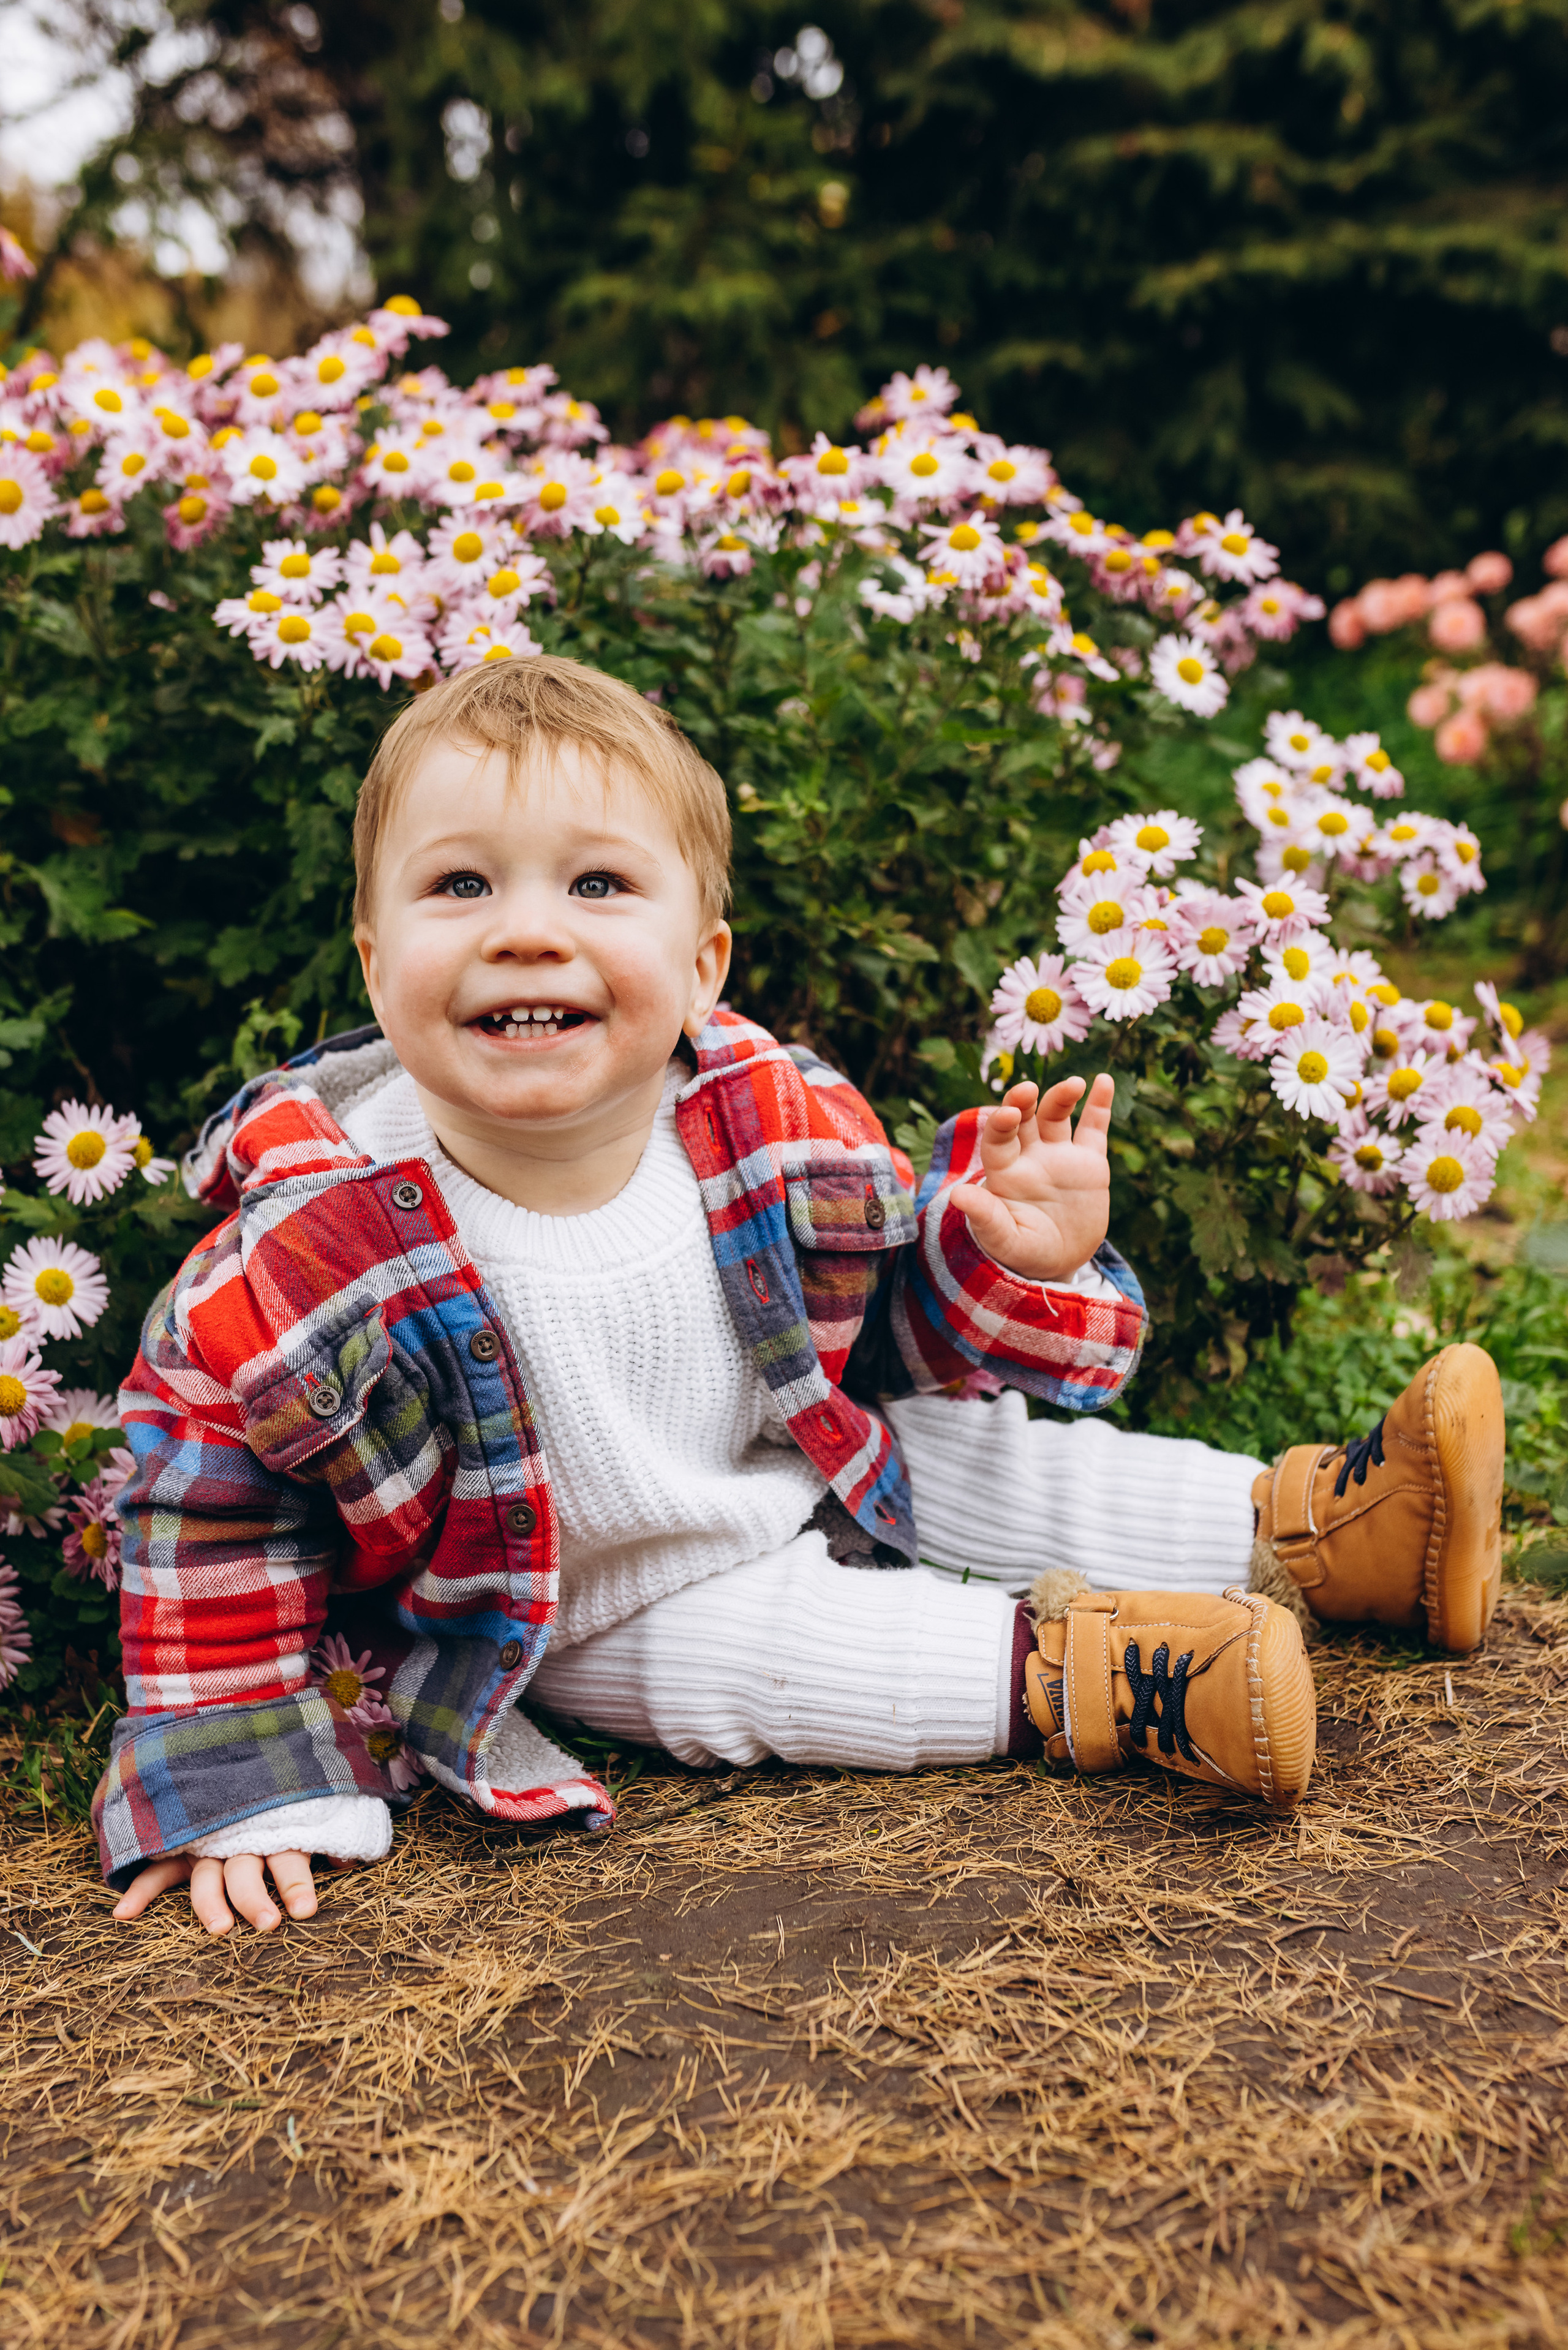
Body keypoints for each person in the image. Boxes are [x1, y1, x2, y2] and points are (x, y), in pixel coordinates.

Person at [99, 657, 1506, 1937]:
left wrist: (1005, 1257)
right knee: (766, 1649)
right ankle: (1097, 1677)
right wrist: (234, 1766)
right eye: (459, 885)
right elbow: (205, 1500)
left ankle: (1319, 1526)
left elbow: (886, 1337)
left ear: (704, 962)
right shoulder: (310, 1249)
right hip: (571, 1606)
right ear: (370, 954)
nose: (526, 931)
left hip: (794, 1453)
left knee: (973, 1455)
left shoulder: (766, 1120)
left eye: (596, 885)